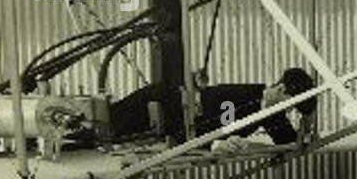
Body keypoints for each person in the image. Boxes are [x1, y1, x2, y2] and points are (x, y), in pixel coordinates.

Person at [110, 66, 317, 147]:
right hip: (159, 104)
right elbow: (215, 128)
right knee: (109, 126)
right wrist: (217, 143)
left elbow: (288, 142)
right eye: (290, 106)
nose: (288, 112)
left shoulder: (272, 112)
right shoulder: (236, 97)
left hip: (173, 126)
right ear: (280, 90)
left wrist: (306, 123)